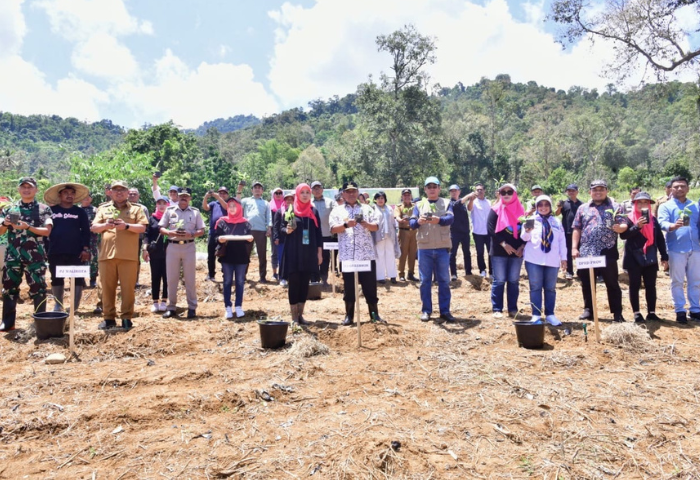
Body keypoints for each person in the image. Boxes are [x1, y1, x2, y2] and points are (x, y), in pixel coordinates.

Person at [91, 181, 148, 330]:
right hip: (106, 256)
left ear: (128, 192)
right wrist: (106, 225)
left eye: (122, 190)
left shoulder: (136, 209)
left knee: (127, 289)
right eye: (115, 190)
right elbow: (94, 227)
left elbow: (142, 228)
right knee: (106, 288)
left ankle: (126, 318)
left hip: (128, 256)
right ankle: (108, 318)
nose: (119, 193)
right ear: (110, 192)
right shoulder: (103, 209)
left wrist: (126, 226)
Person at [0, 178, 53, 332]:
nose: (26, 190)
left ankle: (40, 323)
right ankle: (8, 322)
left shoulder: (44, 209)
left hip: (35, 256)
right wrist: (5, 224)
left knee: (38, 288)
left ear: (36, 190)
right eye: (23, 187)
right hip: (13, 256)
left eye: (29, 187)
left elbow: (47, 231)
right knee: (9, 289)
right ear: (18, 190)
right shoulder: (10, 209)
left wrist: (28, 227)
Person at [572, 180, 627, 322]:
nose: (598, 192)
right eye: (595, 190)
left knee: (612, 283)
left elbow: (623, 223)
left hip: (607, 251)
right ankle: (589, 310)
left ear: (607, 191)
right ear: (590, 192)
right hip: (586, 251)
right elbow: (577, 228)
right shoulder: (582, 208)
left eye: (601, 189)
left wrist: (620, 227)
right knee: (587, 283)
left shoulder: (615, 206)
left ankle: (617, 313)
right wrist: (574, 247)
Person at [329, 181, 382, 325]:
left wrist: (366, 224)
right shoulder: (337, 210)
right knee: (349, 288)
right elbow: (333, 229)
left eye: (354, 191)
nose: (351, 194)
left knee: (370, 287)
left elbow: (376, 226)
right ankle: (349, 316)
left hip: (366, 255)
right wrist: (346, 225)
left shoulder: (367, 208)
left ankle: (374, 314)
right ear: (343, 194)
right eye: (348, 191)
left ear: (358, 192)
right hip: (347, 256)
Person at [411, 177, 455, 322]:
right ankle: (426, 310)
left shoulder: (447, 203)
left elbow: (450, 219)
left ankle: (445, 311)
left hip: (442, 248)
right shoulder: (418, 205)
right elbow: (411, 223)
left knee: (443, 280)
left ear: (439, 188)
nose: (431, 189)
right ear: (425, 189)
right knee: (425, 281)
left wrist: (439, 220)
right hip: (425, 248)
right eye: (428, 186)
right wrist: (418, 221)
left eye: (434, 186)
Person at [658, 176, 700, 324]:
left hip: (695, 249)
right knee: (677, 281)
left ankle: (695, 309)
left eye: (683, 186)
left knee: (695, 281)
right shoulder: (666, 206)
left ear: (688, 188)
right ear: (671, 189)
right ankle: (680, 310)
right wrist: (673, 226)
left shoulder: (695, 206)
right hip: (676, 249)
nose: (680, 189)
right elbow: (661, 222)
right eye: (676, 187)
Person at [620, 192, 668, 323]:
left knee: (651, 285)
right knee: (634, 285)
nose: (642, 205)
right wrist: (637, 226)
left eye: (645, 202)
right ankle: (636, 313)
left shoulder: (653, 219)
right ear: (635, 204)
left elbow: (659, 238)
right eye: (639, 202)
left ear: (649, 204)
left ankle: (651, 313)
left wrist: (664, 255)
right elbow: (624, 236)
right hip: (633, 256)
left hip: (650, 254)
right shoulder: (628, 218)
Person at [44, 183, 91, 313]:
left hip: (76, 252)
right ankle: (58, 305)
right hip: (55, 251)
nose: (69, 195)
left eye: (72, 193)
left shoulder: (80, 212)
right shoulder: (51, 211)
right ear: (60, 195)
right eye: (66, 193)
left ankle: (74, 307)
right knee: (56, 278)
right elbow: (45, 232)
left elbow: (86, 232)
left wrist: (85, 249)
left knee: (77, 278)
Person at [159, 187, 205, 319]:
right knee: (171, 279)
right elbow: (161, 228)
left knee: (190, 278)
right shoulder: (169, 211)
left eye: (186, 196)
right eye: (181, 196)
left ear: (189, 198)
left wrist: (192, 233)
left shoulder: (195, 212)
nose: (183, 198)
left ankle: (192, 308)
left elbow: (201, 230)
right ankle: (171, 307)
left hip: (189, 247)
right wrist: (169, 233)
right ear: (177, 197)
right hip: (173, 247)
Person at [521, 195, 567, 325]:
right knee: (535, 287)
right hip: (534, 260)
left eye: (546, 205)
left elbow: (562, 241)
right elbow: (524, 238)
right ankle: (535, 315)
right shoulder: (531, 220)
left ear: (550, 207)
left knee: (550, 288)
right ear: (536, 207)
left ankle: (550, 314)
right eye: (540, 205)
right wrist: (527, 231)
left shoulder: (557, 222)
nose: (543, 207)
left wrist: (564, 258)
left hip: (552, 260)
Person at [281, 183, 323, 325]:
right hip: (293, 252)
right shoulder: (290, 210)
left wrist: (319, 253)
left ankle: (300, 315)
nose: (305, 195)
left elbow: (318, 234)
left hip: (309, 253)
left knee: (305, 284)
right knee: (294, 283)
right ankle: (293, 317)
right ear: (297, 195)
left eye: (307, 192)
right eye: (302, 192)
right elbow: (280, 228)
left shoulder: (313, 211)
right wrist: (287, 230)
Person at [488, 183, 525, 318]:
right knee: (500, 280)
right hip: (499, 252)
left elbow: (526, 230)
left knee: (514, 280)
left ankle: (512, 309)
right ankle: (497, 309)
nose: (507, 195)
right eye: (503, 192)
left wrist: (522, 246)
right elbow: (491, 229)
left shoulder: (521, 211)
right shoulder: (495, 210)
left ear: (515, 194)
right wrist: (504, 244)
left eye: (510, 192)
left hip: (517, 252)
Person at [214, 197, 254, 319]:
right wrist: (219, 240)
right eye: (230, 206)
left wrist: (250, 240)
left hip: (241, 257)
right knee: (227, 281)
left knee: (240, 282)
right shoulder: (221, 222)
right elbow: (216, 239)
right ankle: (228, 307)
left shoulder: (246, 223)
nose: (232, 208)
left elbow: (249, 242)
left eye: (234, 206)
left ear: (239, 207)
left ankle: (238, 306)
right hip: (227, 257)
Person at [238, 181, 271, 283]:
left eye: (259, 188)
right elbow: (237, 203)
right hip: (248, 230)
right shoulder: (246, 201)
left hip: (261, 231)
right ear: (252, 190)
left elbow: (269, 217)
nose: (257, 189)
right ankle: (242, 276)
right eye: (255, 187)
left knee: (262, 255)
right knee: (245, 254)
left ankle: (262, 277)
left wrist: (269, 228)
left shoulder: (266, 203)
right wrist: (239, 190)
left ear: (262, 191)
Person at [143, 196, 169, 313]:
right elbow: (146, 235)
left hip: (169, 252)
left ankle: (164, 301)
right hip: (155, 253)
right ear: (156, 205)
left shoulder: (171, 218)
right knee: (155, 277)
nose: (162, 205)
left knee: (167, 278)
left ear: (168, 205)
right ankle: (155, 301)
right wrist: (145, 249)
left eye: (164, 203)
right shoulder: (152, 219)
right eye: (159, 203)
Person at [311, 181, 337, 285]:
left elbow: (336, 214)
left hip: (326, 234)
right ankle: (314, 278)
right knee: (313, 257)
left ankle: (324, 278)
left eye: (319, 188)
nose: (317, 190)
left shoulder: (330, 202)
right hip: (313, 236)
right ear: (311, 191)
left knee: (325, 257)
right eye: (314, 188)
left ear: (322, 190)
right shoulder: (309, 203)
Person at [555, 184, 583, 280]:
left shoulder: (581, 204)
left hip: (579, 232)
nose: (571, 192)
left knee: (579, 251)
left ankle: (580, 271)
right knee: (568, 252)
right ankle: (569, 272)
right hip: (566, 231)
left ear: (577, 191)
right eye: (569, 191)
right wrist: (559, 207)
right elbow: (556, 214)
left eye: (573, 190)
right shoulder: (564, 203)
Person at [201, 186, 230, 281]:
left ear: (227, 194)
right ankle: (211, 274)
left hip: (224, 233)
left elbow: (226, 207)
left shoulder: (229, 203)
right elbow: (205, 207)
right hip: (213, 232)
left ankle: (226, 275)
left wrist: (218, 197)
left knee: (224, 254)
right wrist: (206, 197)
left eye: (224, 193)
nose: (222, 194)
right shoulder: (214, 204)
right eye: (220, 193)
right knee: (211, 254)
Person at [372, 191, 399, 284]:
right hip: (379, 235)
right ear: (375, 200)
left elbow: (392, 222)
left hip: (390, 235)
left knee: (390, 255)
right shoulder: (373, 209)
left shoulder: (389, 209)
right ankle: (380, 276)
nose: (380, 200)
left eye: (382, 198)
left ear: (385, 199)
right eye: (378, 198)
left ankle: (392, 275)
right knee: (380, 255)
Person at [467, 183, 492, 278]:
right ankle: (482, 270)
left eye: (481, 189)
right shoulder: (473, 202)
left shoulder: (489, 202)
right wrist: (471, 200)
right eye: (477, 190)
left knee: (491, 252)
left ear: (484, 191)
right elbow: (469, 209)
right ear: (475, 191)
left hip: (489, 232)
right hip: (478, 232)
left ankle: (492, 272)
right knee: (480, 252)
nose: (479, 191)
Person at [448, 184, 472, 281]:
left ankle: (468, 271)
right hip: (454, 232)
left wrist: (471, 199)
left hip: (465, 232)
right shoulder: (450, 203)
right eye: (452, 191)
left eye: (455, 191)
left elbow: (468, 209)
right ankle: (453, 273)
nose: (454, 192)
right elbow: (457, 204)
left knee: (467, 252)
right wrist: (468, 196)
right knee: (453, 253)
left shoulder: (463, 203)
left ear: (459, 192)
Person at [395, 188, 418, 282]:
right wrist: (399, 220)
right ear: (402, 197)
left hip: (414, 231)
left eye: (408, 195)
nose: (407, 197)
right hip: (403, 231)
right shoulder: (399, 206)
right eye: (405, 195)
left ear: (411, 196)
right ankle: (401, 274)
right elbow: (396, 216)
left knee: (412, 253)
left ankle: (411, 273)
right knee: (403, 253)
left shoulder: (415, 206)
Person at [273, 192, 294, 287]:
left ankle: (291, 277)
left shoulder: (295, 211)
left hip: (292, 240)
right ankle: (282, 277)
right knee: (282, 258)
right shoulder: (279, 211)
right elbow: (276, 226)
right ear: (284, 200)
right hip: (282, 239)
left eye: (291, 199)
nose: (289, 201)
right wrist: (276, 237)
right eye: (287, 199)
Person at [80, 193, 99, 289]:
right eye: (84, 196)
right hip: (79, 239)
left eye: (88, 196)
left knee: (93, 260)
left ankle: (93, 280)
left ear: (91, 199)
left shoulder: (96, 210)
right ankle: (81, 280)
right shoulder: (76, 210)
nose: (86, 198)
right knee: (80, 259)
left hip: (93, 239)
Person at [269, 187, 286, 282]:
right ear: (273, 194)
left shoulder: (286, 205)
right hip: (274, 232)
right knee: (275, 252)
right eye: (276, 193)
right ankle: (275, 273)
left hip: (285, 232)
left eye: (280, 193)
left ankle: (284, 272)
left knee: (285, 252)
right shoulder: (270, 205)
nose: (278, 195)